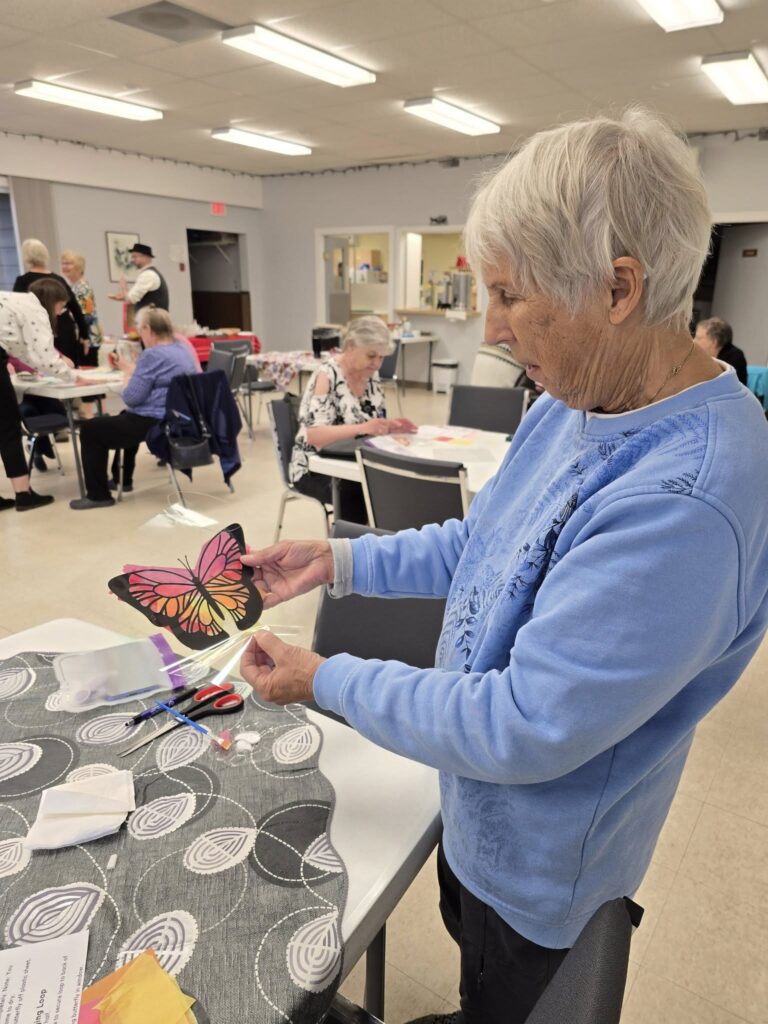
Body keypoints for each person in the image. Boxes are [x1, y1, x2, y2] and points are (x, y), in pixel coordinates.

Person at [238, 110, 768, 1024]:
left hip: (540, 866)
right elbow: (492, 545)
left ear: (619, 289)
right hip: (478, 812)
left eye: (513, 297)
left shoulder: (686, 498)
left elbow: (523, 725)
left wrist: (323, 679)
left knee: (501, 997)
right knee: (468, 959)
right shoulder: (583, 393)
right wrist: (339, 560)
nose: (492, 330)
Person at [289, 316, 416, 523]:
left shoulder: (370, 376)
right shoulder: (327, 376)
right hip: (314, 468)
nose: (376, 364)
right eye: (371, 355)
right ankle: (349, 551)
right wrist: (365, 427)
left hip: (355, 461)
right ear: (350, 347)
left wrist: (390, 426)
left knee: (398, 484)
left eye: (381, 358)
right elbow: (315, 436)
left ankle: (385, 546)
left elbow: (372, 426)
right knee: (363, 493)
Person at [70, 306, 197, 510]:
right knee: (124, 417)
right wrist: (132, 371)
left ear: (148, 329)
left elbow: (132, 398)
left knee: (91, 429)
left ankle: (98, 495)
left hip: (154, 421)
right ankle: (123, 479)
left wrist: (128, 375)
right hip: (177, 418)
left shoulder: (152, 354)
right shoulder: (181, 349)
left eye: (140, 328)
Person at [0, 287, 75, 510]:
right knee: (7, 428)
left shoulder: (13, 300)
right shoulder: (34, 309)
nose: (60, 313)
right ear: (52, 302)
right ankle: (24, 494)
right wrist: (71, 375)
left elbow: (24, 352)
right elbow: (42, 356)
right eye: (60, 306)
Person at [13, 238, 91, 366]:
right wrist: (84, 335)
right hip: (64, 328)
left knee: (45, 368)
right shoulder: (58, 279)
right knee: (67, 366)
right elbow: (75, 308)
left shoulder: (23, 281)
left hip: (38, 330)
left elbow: (18, 310)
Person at [60, 249, 104, 355]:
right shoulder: (73, 287)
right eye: (63, 263)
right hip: (81, 338)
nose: (65, 266)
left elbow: (87, 315)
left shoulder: (83, 288)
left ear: (79, 267)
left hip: (88, 340)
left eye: (69, 263)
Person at [108, 242, 169, 315]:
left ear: (146, 257)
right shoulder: (149, 273)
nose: (133, 260)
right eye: (132, 257)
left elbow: (131, 299)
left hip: (153, 321)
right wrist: (124, 295)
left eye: (135, 256)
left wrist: (124, 286)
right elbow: (133, 297)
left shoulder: (148, 275)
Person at [694, 316, 748, 385]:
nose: (694, 341)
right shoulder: (707, 358)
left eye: (698, 338)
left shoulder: (734, 357)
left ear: (714, 341)